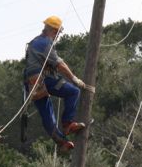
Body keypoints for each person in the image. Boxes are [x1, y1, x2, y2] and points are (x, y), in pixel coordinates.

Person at [23, 16, 93, 152]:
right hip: (42, 80)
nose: (58, 36)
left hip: (32, 84)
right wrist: (74, 78)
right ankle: (68, 124)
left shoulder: (36, 42)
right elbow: (59, 64)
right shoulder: (44, 43)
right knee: (73, 91)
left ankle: (62, 142)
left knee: (47, 114)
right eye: (58, 33)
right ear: (54, 31)